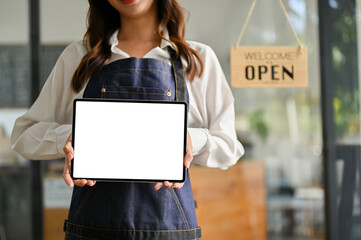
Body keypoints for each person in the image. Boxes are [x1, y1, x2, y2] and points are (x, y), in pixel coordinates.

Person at [11, 0, 244, 239]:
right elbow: (23, 135)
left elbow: (229, 147)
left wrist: (190, 138)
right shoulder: (79, 56)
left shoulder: (195, 59)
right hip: (92, 231)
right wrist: (74, 136)